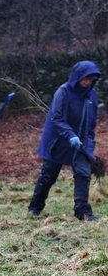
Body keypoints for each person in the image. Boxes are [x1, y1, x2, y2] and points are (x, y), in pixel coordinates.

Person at [28, 60, 101, 221]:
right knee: (48, 175)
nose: (87, 82)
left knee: (83, 174)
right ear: (78, 76)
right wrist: (70, 135)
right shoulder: (64, 92)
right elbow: (57, 117)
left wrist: (90, 140)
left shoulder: (91, 94)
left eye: (91, 79)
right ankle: (35, 207)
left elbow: (92, 121)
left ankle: (82, 211)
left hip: (81, 142)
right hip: (59, 141)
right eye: (85, 78)